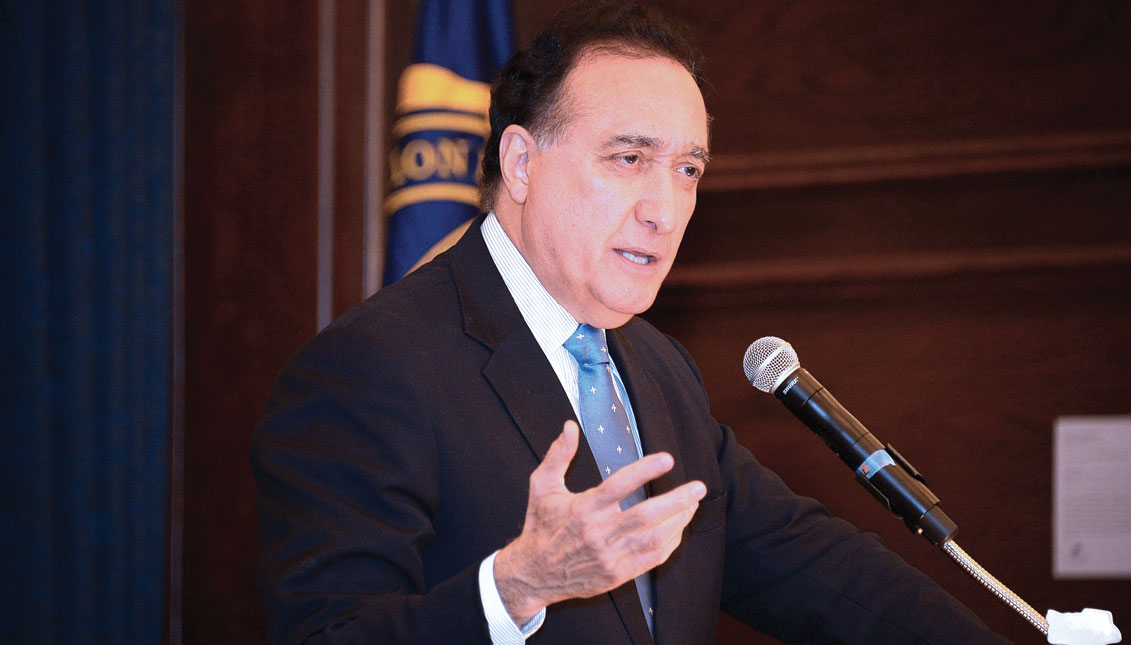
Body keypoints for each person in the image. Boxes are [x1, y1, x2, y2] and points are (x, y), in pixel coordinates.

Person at [251, 3, 1009, 643]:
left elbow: (807, 563)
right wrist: (514, 587)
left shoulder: (657, 368)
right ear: (520, 162)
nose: (664, 207)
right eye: (627, 158)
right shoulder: (370, 366)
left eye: (687, 169)